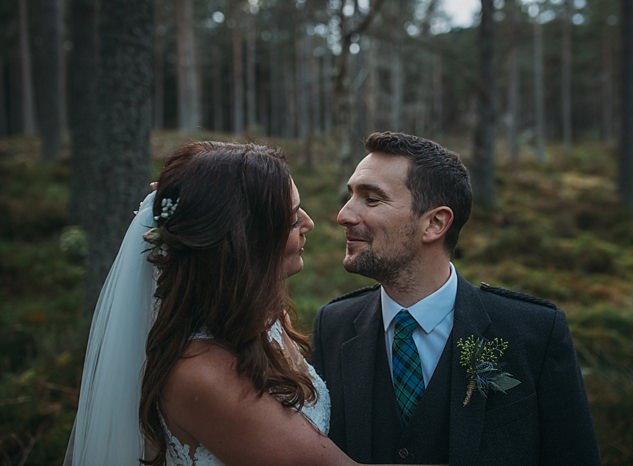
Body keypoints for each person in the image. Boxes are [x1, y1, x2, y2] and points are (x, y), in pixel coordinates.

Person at [66, 142, 405, 465]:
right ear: (245, 240)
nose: (309, 224)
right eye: (290, 218)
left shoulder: (265, 319)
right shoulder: (202, 373)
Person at [311, 131, 601, 465]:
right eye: (350, 197)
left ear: (435, 223)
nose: (344, 215)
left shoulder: (535, 333)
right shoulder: (333, 327)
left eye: (371, 199)